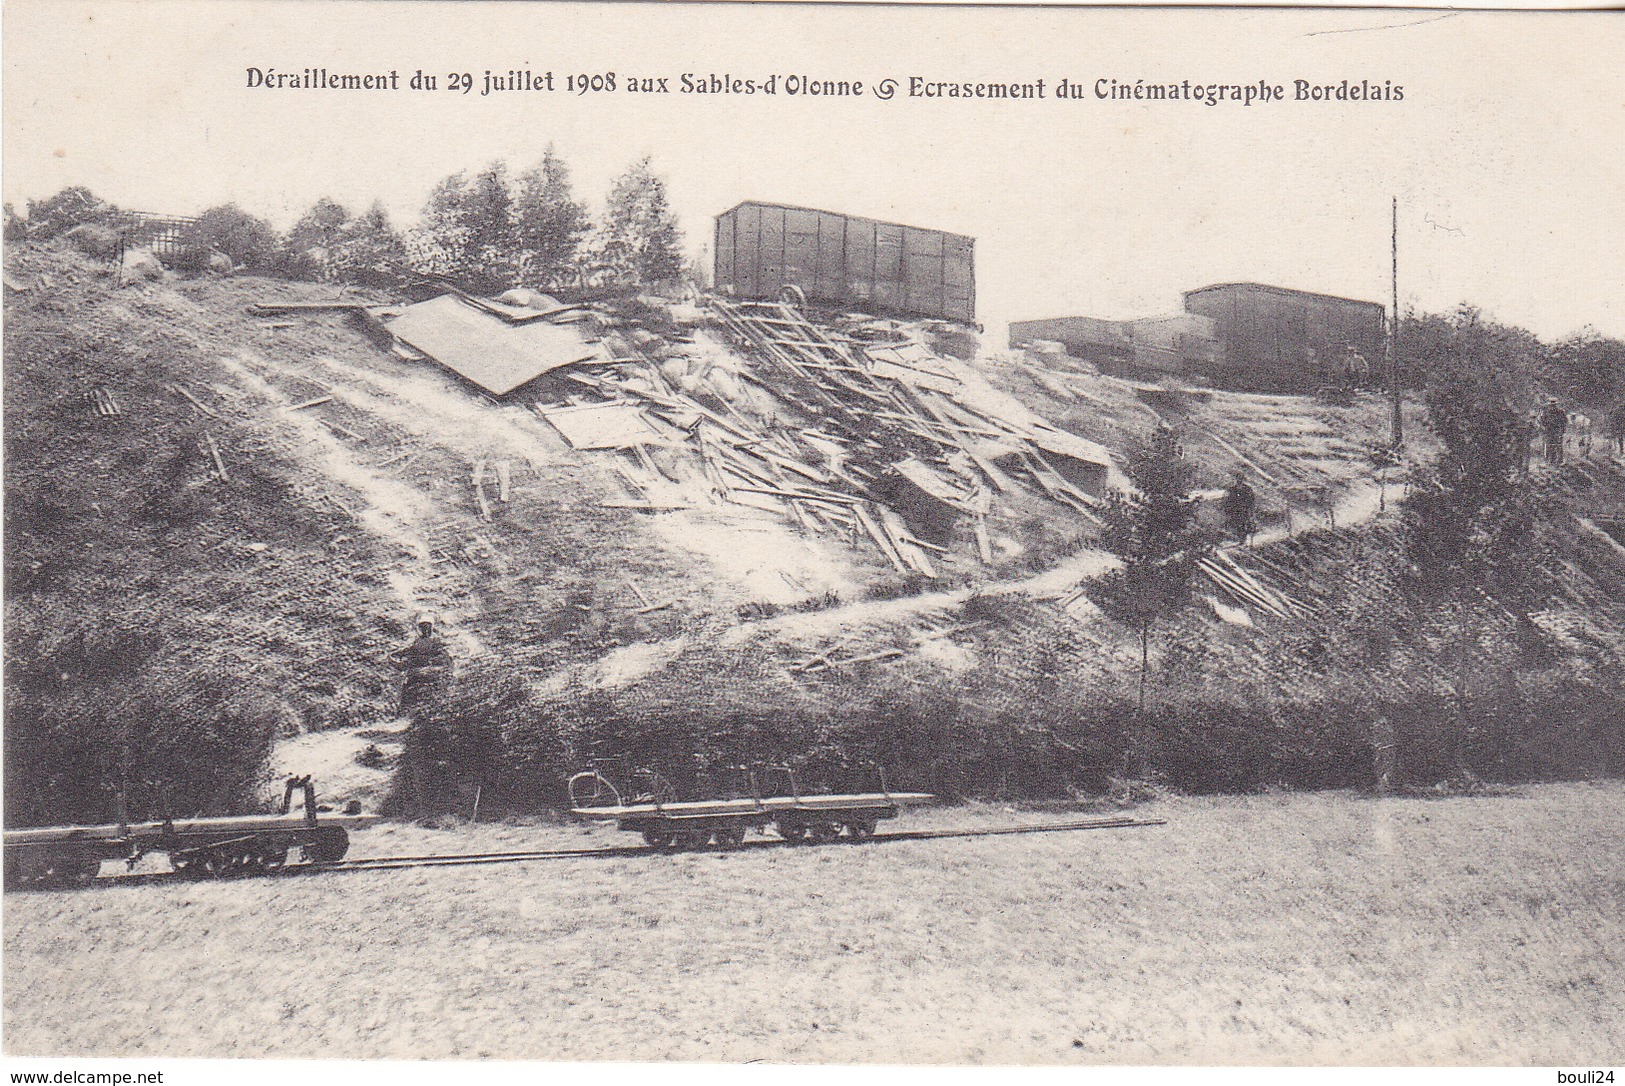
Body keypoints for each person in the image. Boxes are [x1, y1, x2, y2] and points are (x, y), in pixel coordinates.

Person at [392, 612, 452, 717]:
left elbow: (443, 654)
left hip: (430, 668)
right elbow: (410, 650)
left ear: (431, 628)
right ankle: (402, 711)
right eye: (423, 627)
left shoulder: (436, 641)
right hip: (417, 669)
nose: (425, 630)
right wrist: (399, 654)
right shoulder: (417, 641)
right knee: (406, 686)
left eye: (427, 627)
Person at [1221, 470, 1257, 543]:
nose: (1239, 480)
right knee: (1236, 523)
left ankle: (1242, 539)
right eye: (1238, 478)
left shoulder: (1247, 489)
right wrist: (1227, 508)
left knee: (1243, 523)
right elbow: (1227, 499)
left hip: (1244, 509)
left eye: (1240, 478)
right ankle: (1239, 537)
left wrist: (1251, 509)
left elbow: (1251, 499)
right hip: (1235, 509)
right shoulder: (1232, 489)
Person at [1541, 398, 1568, 465]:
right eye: (1551, 405)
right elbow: (1542, 420)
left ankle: (1559, 460)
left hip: (1557, 430)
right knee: (1548, 445)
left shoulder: (1561, 412)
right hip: (1548, 430)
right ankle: (1548, 461)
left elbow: (1565, 421)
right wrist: (1544, 427)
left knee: (1558, 445)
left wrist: (1562, 430)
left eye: (1554, 405)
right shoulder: (1545, 412)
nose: (1552, 407)